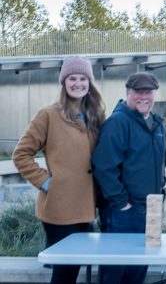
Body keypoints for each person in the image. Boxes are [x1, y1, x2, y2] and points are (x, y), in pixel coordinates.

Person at [12, 55, 105, 284]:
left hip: (86, 208)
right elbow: (20, 154)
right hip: (60, 209)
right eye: (72, 78)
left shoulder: (95, 115)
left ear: (89, 82)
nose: (78, 83)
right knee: (65, 273)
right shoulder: (48, 115)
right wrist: (48, 183)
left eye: (83, 78)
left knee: (77, 269)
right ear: (64, 82)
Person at [92, 72, 166, 284]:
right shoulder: (118, 123)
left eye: (148, 92)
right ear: (127, 93)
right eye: (138, 92)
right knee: (114, 273)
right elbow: (104, 167)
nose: (144, 97)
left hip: (150, 210)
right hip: (123, 213)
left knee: (138, 270)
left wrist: (160, 188)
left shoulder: (157, 124)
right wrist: (121, 203)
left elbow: (162, 161)